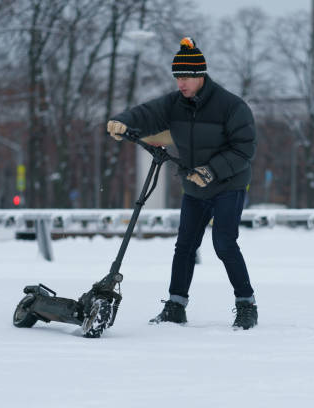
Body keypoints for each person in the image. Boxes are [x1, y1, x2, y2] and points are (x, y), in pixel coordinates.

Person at [106, 37, 258, 330]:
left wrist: (211, 171)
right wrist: (122, 122)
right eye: (177, 77)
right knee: (185, 246)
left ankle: (246, 304)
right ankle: (176, 306)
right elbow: (146, 114)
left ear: (201, 75)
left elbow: (244, 150)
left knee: (224, 243)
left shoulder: (231, 106)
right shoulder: (175, 104)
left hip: (228, 184)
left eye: (186, 77)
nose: (181, 84)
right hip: (194, 187)